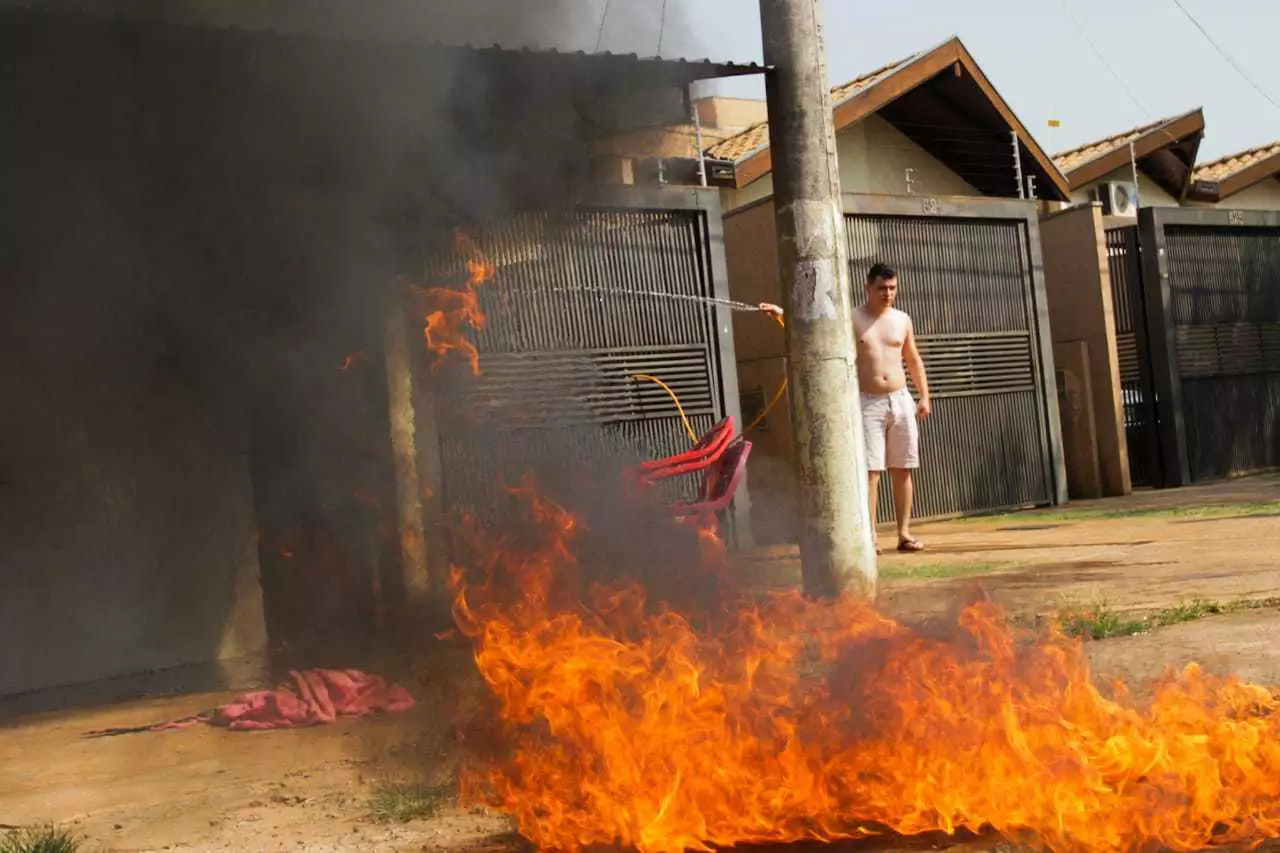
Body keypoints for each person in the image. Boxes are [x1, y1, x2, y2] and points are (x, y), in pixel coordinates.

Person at [853, 263, 929, 554]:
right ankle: (870, 537)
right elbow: (815, 325)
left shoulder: (902, 319)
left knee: (903, 467)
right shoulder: (854, 318)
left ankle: (904, 533)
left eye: (892, 288)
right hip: (867, 400)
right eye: (882, 288)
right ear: (868, 288)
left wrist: (923, 395)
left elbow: (913, 359)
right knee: (871, 471)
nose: (887, 293)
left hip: (899, 398)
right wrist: (781, 314)